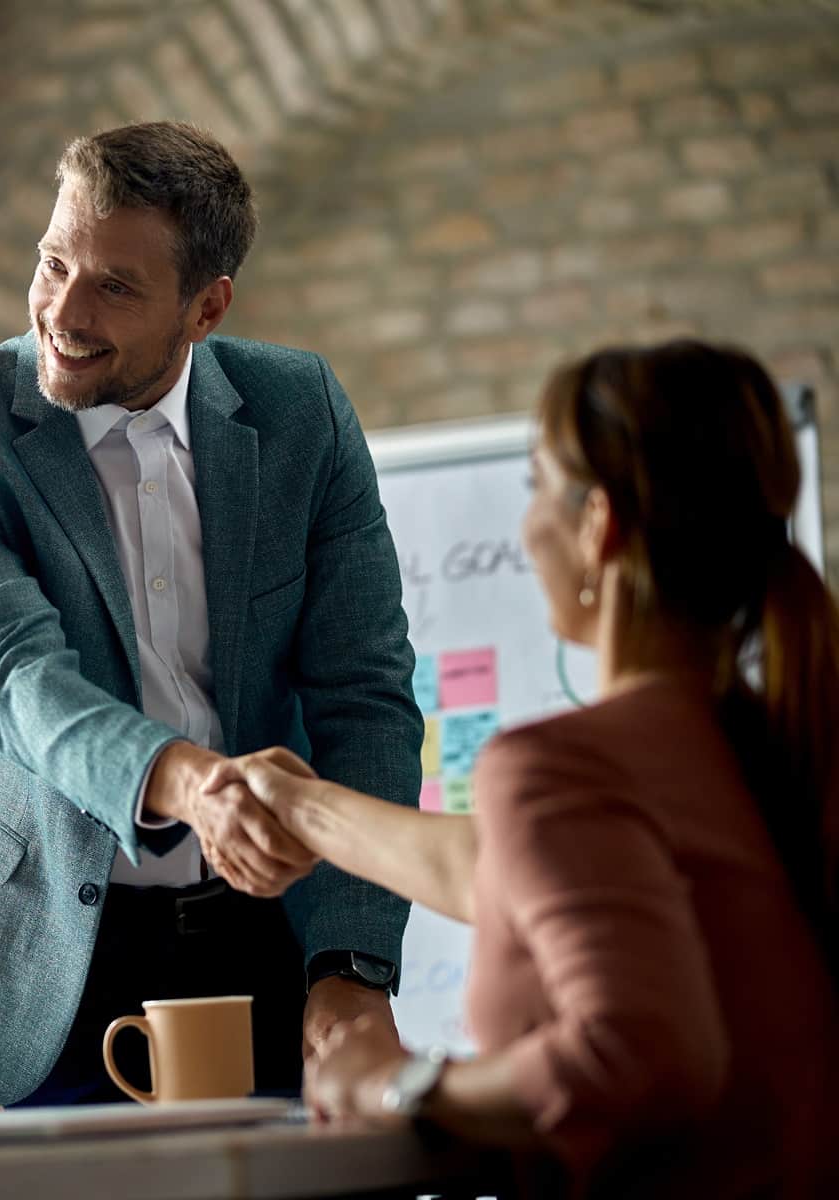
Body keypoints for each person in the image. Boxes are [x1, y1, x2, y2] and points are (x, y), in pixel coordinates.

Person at [0, 121, 423, 1107]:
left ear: (206, 307)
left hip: (278, 931)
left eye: (114, 287)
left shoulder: (301, 411)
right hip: (54, 959)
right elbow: (13, 678)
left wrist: (354, 963)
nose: (62, 311)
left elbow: (365, 694)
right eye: (52, 262)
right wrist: (198, 787)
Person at [227, 340, 839, 1196]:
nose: (529, 526)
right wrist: (300, 806)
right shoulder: (772, 749)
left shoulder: (563, 766)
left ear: (599, 526)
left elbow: (636, 1050)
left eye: (539, 487)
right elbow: (507, 872)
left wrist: (392, 1083)